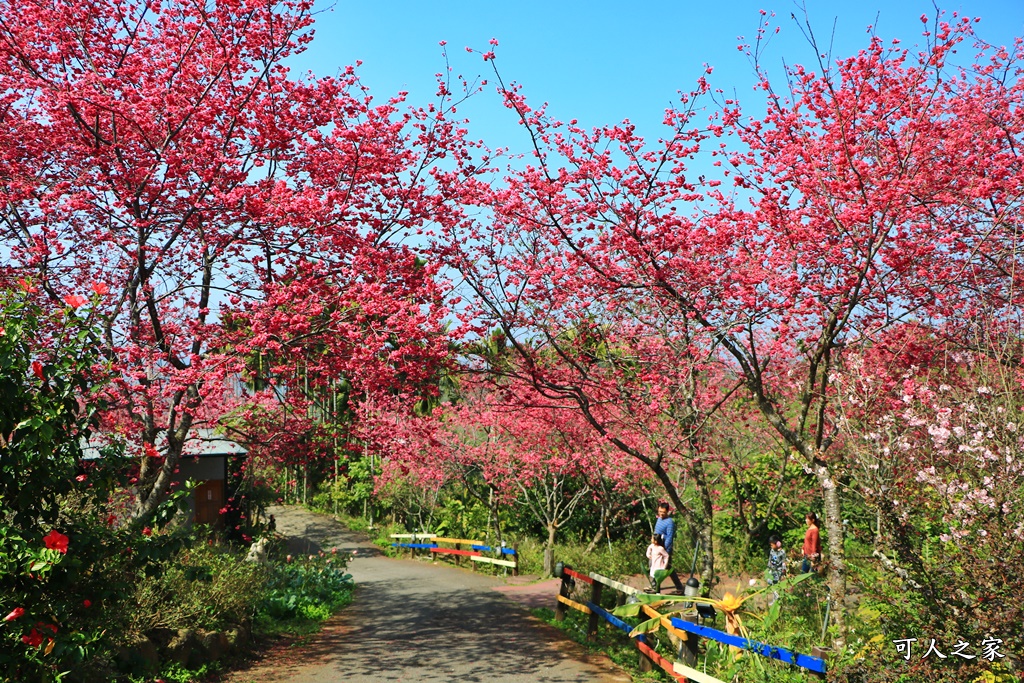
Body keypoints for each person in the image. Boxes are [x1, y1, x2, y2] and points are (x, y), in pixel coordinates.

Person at [654, 502, 686, 592]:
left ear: (667, 511)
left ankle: (679, 587)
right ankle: (655, 586)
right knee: (655, 565)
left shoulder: (670, 522)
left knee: (667, 567)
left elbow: (669, 537)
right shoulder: (659, 519)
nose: (661, 514)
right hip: (657, 547)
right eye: (660, 511)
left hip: (665, 548)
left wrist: (664, 549)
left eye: (663, 512)